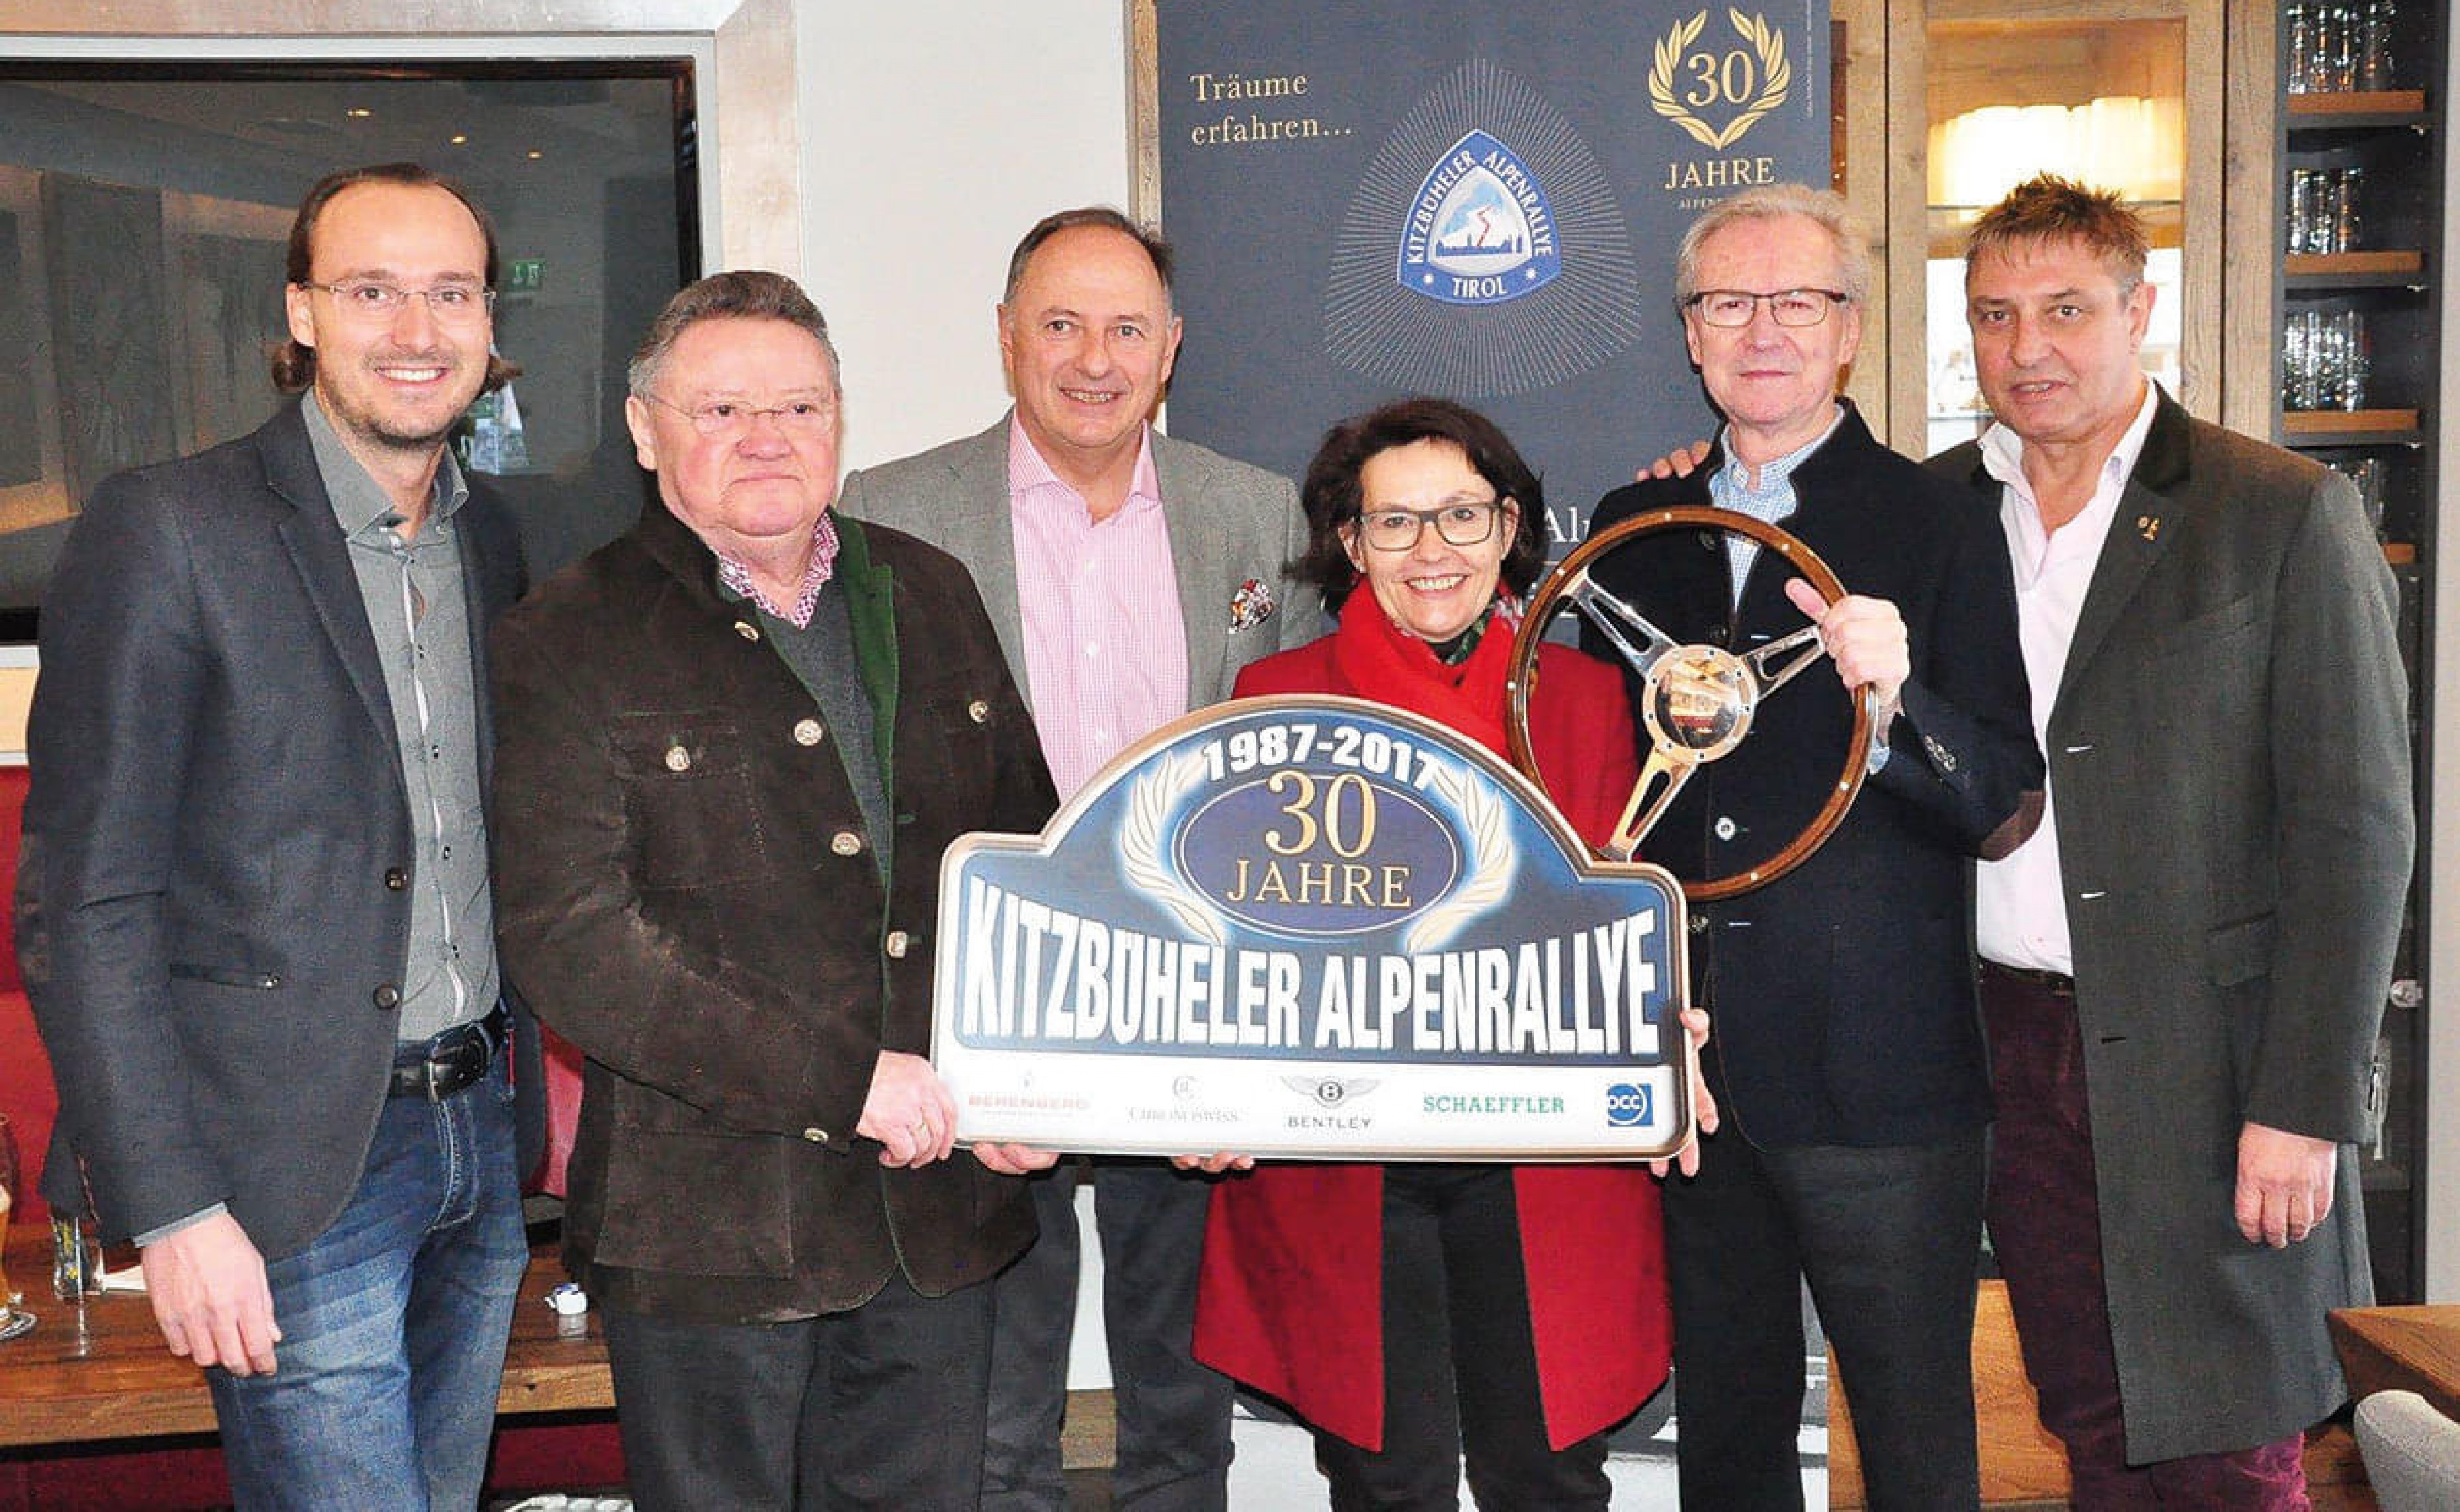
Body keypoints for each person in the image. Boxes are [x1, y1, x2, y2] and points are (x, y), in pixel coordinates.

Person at [486, 270, 1063, 1510]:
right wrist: (844, 1082)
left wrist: (1037, 1070)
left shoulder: (930, 590)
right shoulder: (562, 639)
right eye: (722, 411)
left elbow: (1030, 864)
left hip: (938, 1215)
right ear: (646, 433)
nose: (768, 438)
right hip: (714, 1241)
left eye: (800, 408)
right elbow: (575, 945)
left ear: (840, 422)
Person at [17, 162, 542, 1509]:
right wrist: (175, 1210)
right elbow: (86, 905)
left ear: (491, 325)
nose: (416, 331)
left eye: (451, 293)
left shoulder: (493, 544)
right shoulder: (170, 529)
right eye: (373, 290)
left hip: (478, 1136)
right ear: (302, 310)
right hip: (285, 1169)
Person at [1940, 174, 2412, 1508]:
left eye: (2067, 310)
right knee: (2091, 1421)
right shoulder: (1939, 514)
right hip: (2009, 1050)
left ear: (2141, 312)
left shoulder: (2278, 510)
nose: (2028, 349)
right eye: (1995, 315)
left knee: (2230, 1444)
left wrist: (2303, 1106)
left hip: (2218, 1068)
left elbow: (2357, 831)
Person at [837, 206, 1318, 1511]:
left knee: (1181, 1412)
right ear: (1006, 340)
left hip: (1198, 1015)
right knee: (999, 1422)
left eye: (1125, 328)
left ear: (1171, 348)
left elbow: (1303, 766)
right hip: (990, 1019)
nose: (1093, 359)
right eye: (1060, 324)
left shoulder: (1256, 514)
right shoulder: (888, 513)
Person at [1584, 183, 2042, 1511]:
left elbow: (2000, 789)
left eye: (1799, 301)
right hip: (1694, 1074)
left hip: (1882, 1082)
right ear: (1689, 335)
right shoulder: (1635, 525)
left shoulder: (1940, 517)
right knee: (1722, 1444)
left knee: (1910, 1439)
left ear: (1850, 332)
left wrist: (1898, 705)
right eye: (1729, 302)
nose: (1762, 329)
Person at [1185, 396, 1702, 1510]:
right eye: (1397, 523)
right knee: (1386, 1481)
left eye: (1462, 516)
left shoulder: (1592, 699)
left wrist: (1667, 1028)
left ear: (1511, 526)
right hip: (1344, 1156)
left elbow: (1627, 921)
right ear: (1352, 543)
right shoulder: (1274, 699)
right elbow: (1235, 946)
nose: (1433, 550)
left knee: (1549, 1476)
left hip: (1544, 1157)